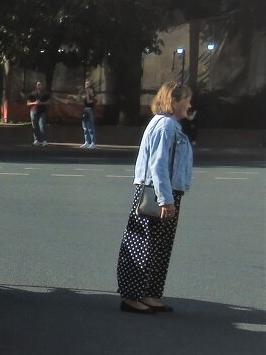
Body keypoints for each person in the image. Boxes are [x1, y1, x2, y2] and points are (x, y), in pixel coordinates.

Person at [116, 81, 194, 314]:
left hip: (164, 191)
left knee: (160, 246)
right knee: (144, 244)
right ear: (175, 101)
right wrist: (165, 199)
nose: (190, 104)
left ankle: (148, 293)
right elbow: (158, 165)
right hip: (156, 192)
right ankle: (132, 297)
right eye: (186, 99)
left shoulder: (171, 125)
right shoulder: (165, 126)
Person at [27, 80, 51, 145]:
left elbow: (49, 102)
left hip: (42, 111)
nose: (39, 86)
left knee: (42, 125)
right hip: (33, 111)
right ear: (36, 86)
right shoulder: (32, 93)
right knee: (35, 126)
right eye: (38, 84)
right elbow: (28, 103)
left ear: (42, 86)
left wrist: (42, 103)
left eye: (40, 84)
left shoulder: (45, 94)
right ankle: (36, 140)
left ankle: (44, 140)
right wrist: (35, 102)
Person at [79, 80, 98, 148]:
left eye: (88, 84)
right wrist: (84, 94)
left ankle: (93, 142)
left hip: (90, 110)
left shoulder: (93, 95)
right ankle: (87, 141)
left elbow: (89, 101)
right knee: (85, 127)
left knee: (90, 127)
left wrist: (89, 94)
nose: (86, 86)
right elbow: (82, 100)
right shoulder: (84, 93)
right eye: (85, 84)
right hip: (85, 110)